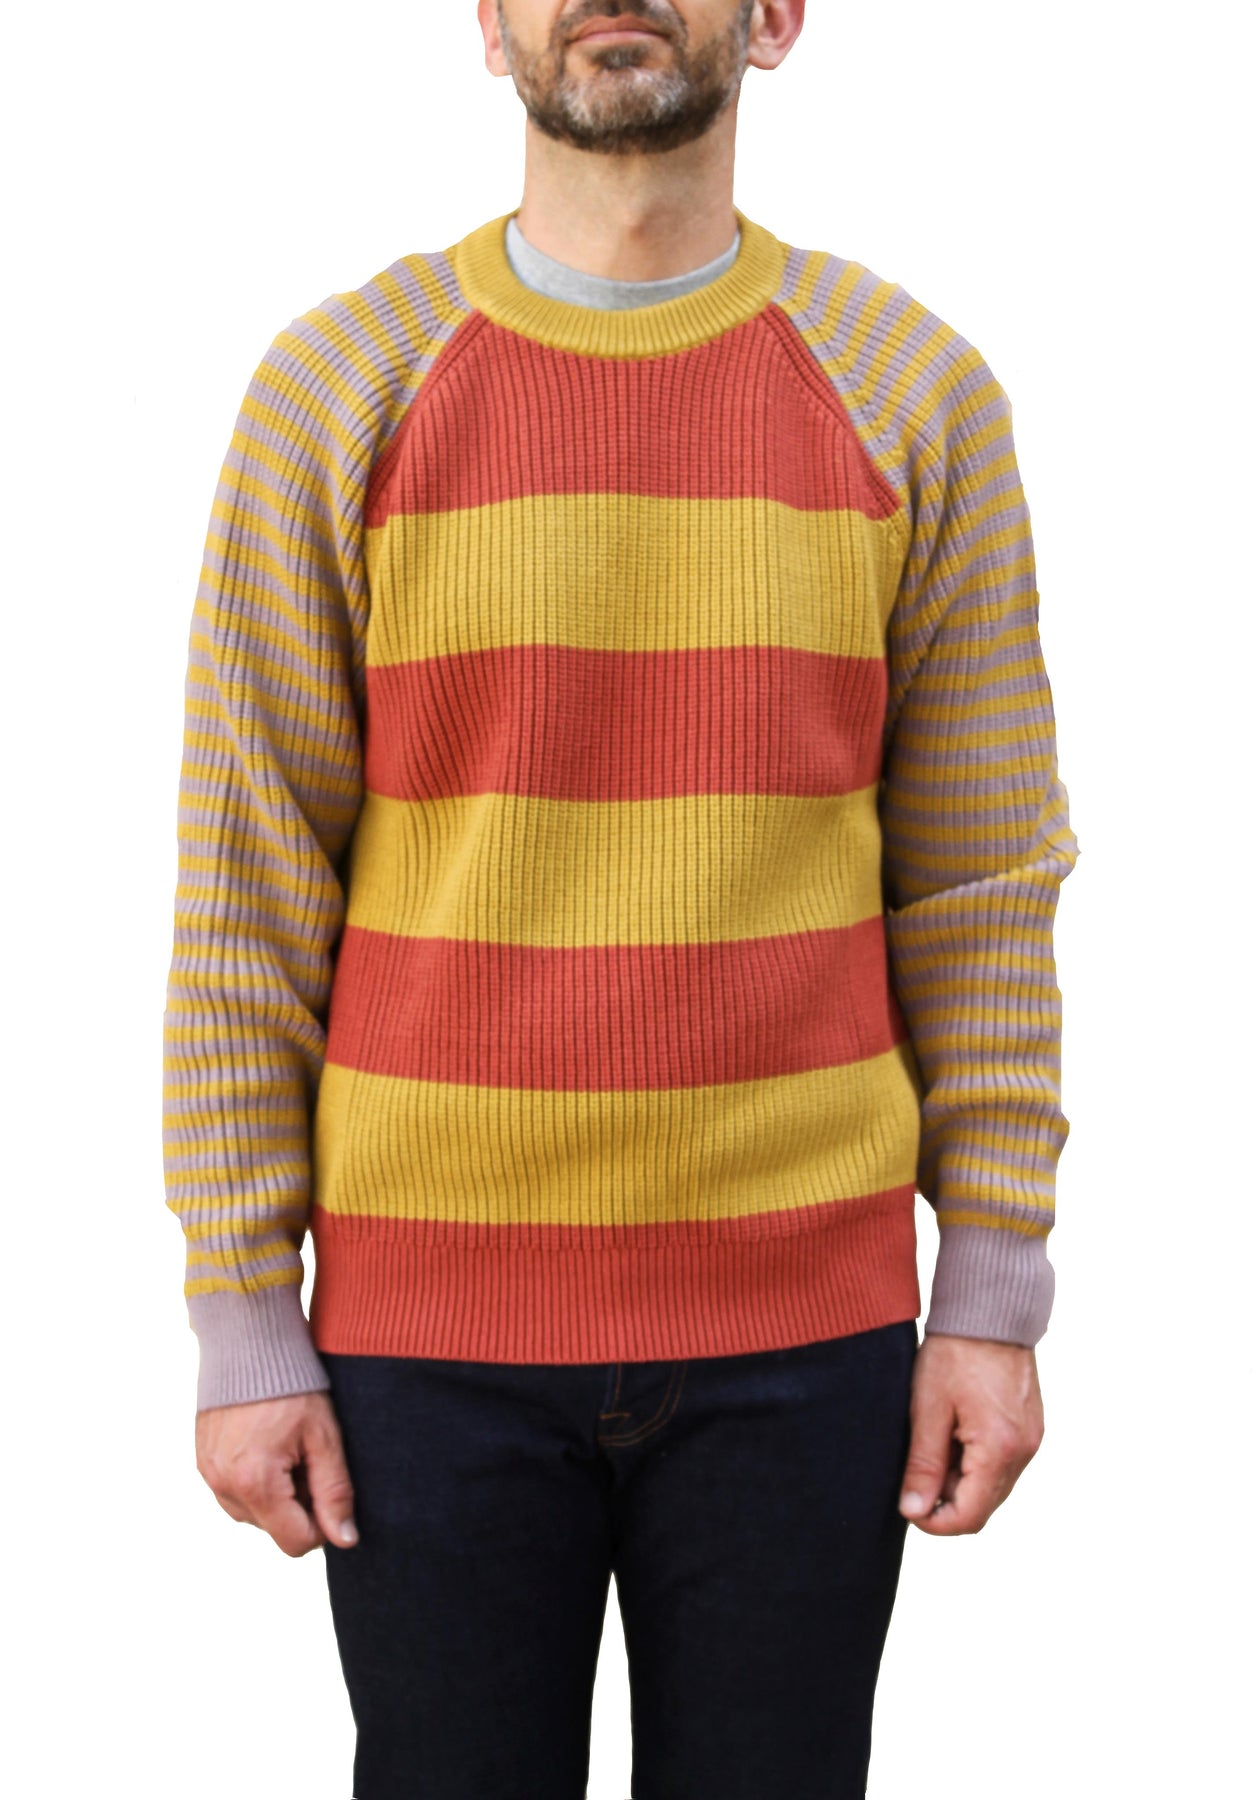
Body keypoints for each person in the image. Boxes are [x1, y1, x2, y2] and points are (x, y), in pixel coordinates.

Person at [162, 3, 1079, 1795]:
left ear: (777, 16)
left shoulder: (915, 393)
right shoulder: (336, 390)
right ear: (486, 23)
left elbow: (980, 877)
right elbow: (246, 883)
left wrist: (991, 1285)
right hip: (421, 1347)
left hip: (806, 1337)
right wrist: (239, 1309)